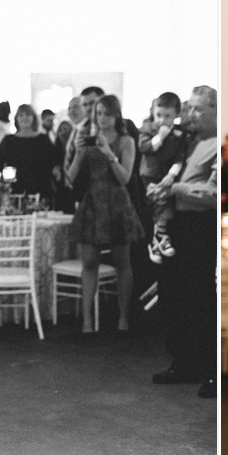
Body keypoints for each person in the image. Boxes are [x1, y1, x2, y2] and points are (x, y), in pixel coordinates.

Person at [151, 86, 220, 397]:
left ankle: (210, 371)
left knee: (201, 300)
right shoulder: (189, 142)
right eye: (189, 108)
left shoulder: (220, 145)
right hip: (180, 223)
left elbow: (214, 194)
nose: (190, 114)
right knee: (175, 295)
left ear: (216, 111)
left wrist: (175, 189)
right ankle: (183, 362)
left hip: (200, 226)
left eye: (197, 109)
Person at [67, 93, 143, 333]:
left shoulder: (126, 140)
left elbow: (125, 177)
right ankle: (88, 320)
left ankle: (123, 317)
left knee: (122, 261)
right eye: (98, 113)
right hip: (92, 201)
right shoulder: (87, 138)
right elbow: (70, 178)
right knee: (89, 261)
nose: (102, 118)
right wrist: (78, 155)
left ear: (116, 115)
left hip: (117, 202)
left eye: (107, 114)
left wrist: (110, 153)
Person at [138, 92, 187, 261]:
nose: (161, 120)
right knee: (158, 202)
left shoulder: (180, 134)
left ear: (177, 115)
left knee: (166, 205)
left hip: (167, 175)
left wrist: (171, 175)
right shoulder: (147, 128)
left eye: (167, 116)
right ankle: (160, 239)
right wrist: (160, 136)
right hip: (150, 174)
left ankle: (157, 242)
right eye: (158, 115)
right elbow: (144, 147)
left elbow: (180, 157)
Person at [0, 103, 58, 203]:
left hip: (40, 188)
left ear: (34, 118)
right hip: (15, 189)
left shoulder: (43, 140)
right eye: (21, 115)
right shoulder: (8, 140)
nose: (24, 118)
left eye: (28, 115)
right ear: (16, 118)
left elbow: (53, 162)